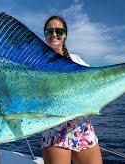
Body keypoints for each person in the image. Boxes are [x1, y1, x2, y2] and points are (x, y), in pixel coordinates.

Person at [41, 16, 103, 164]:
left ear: (65, 35)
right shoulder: (36, 63)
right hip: (54, 127)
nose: (54, 34)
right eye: (49, 31)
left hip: (81, 126)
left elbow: (100, 82)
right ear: (45, 34)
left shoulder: (76, 61)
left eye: (59, 31)